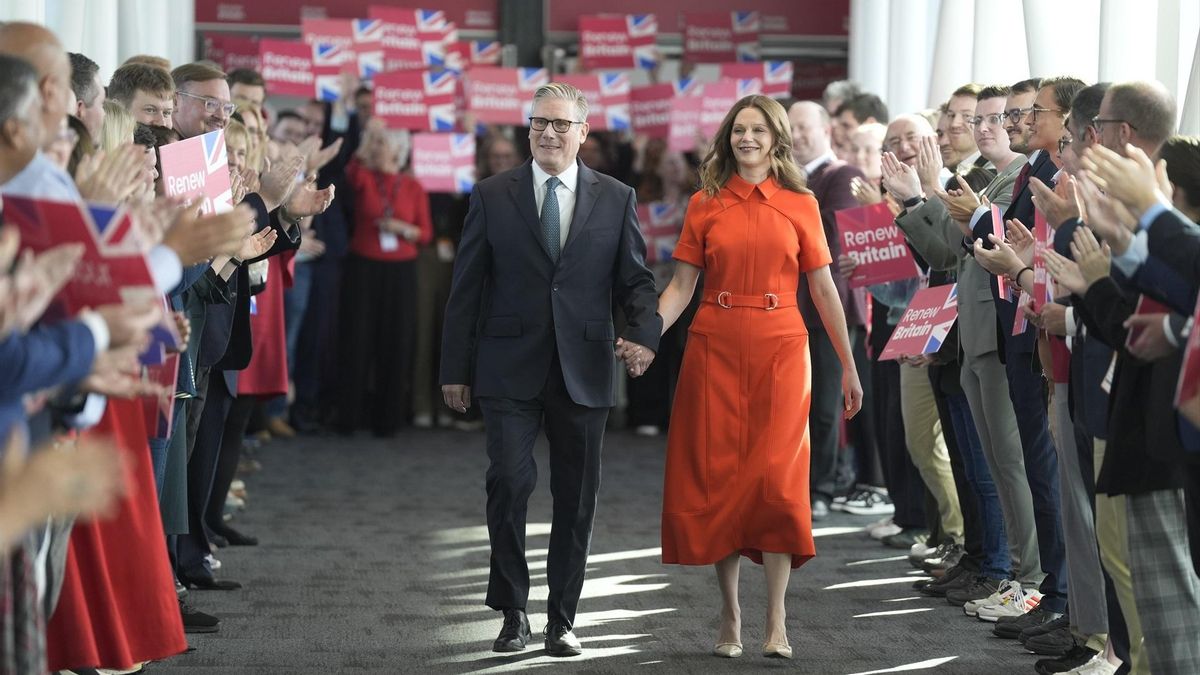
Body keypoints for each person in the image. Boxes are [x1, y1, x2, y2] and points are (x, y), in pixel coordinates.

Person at [439, 82, 661, 657]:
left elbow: (634, 280)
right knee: (509, 482)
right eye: (540, 122)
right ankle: (513, 612)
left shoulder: (616, 197)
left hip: (584, 367)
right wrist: (453, 369)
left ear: (584, 134)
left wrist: (643, 334)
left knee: (576, 497)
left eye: (562, 124)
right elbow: (465, 289)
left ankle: (562, 619)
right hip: (508, 366)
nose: (550, 133)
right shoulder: (491, 193)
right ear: (528, 129)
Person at [653, 94, 863, 659]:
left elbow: (823, 288)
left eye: (758, 130)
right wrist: (647, 334)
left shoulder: (801, 202)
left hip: (782, 351)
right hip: (713, 348)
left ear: (776, 138)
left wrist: (847, 363)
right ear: (729, 138)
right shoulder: (704, 202)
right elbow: (680, 287)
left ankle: (777, 618)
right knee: (720, 478)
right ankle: (730, 610)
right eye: (739, 130)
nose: (747, 138)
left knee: (776, 483)